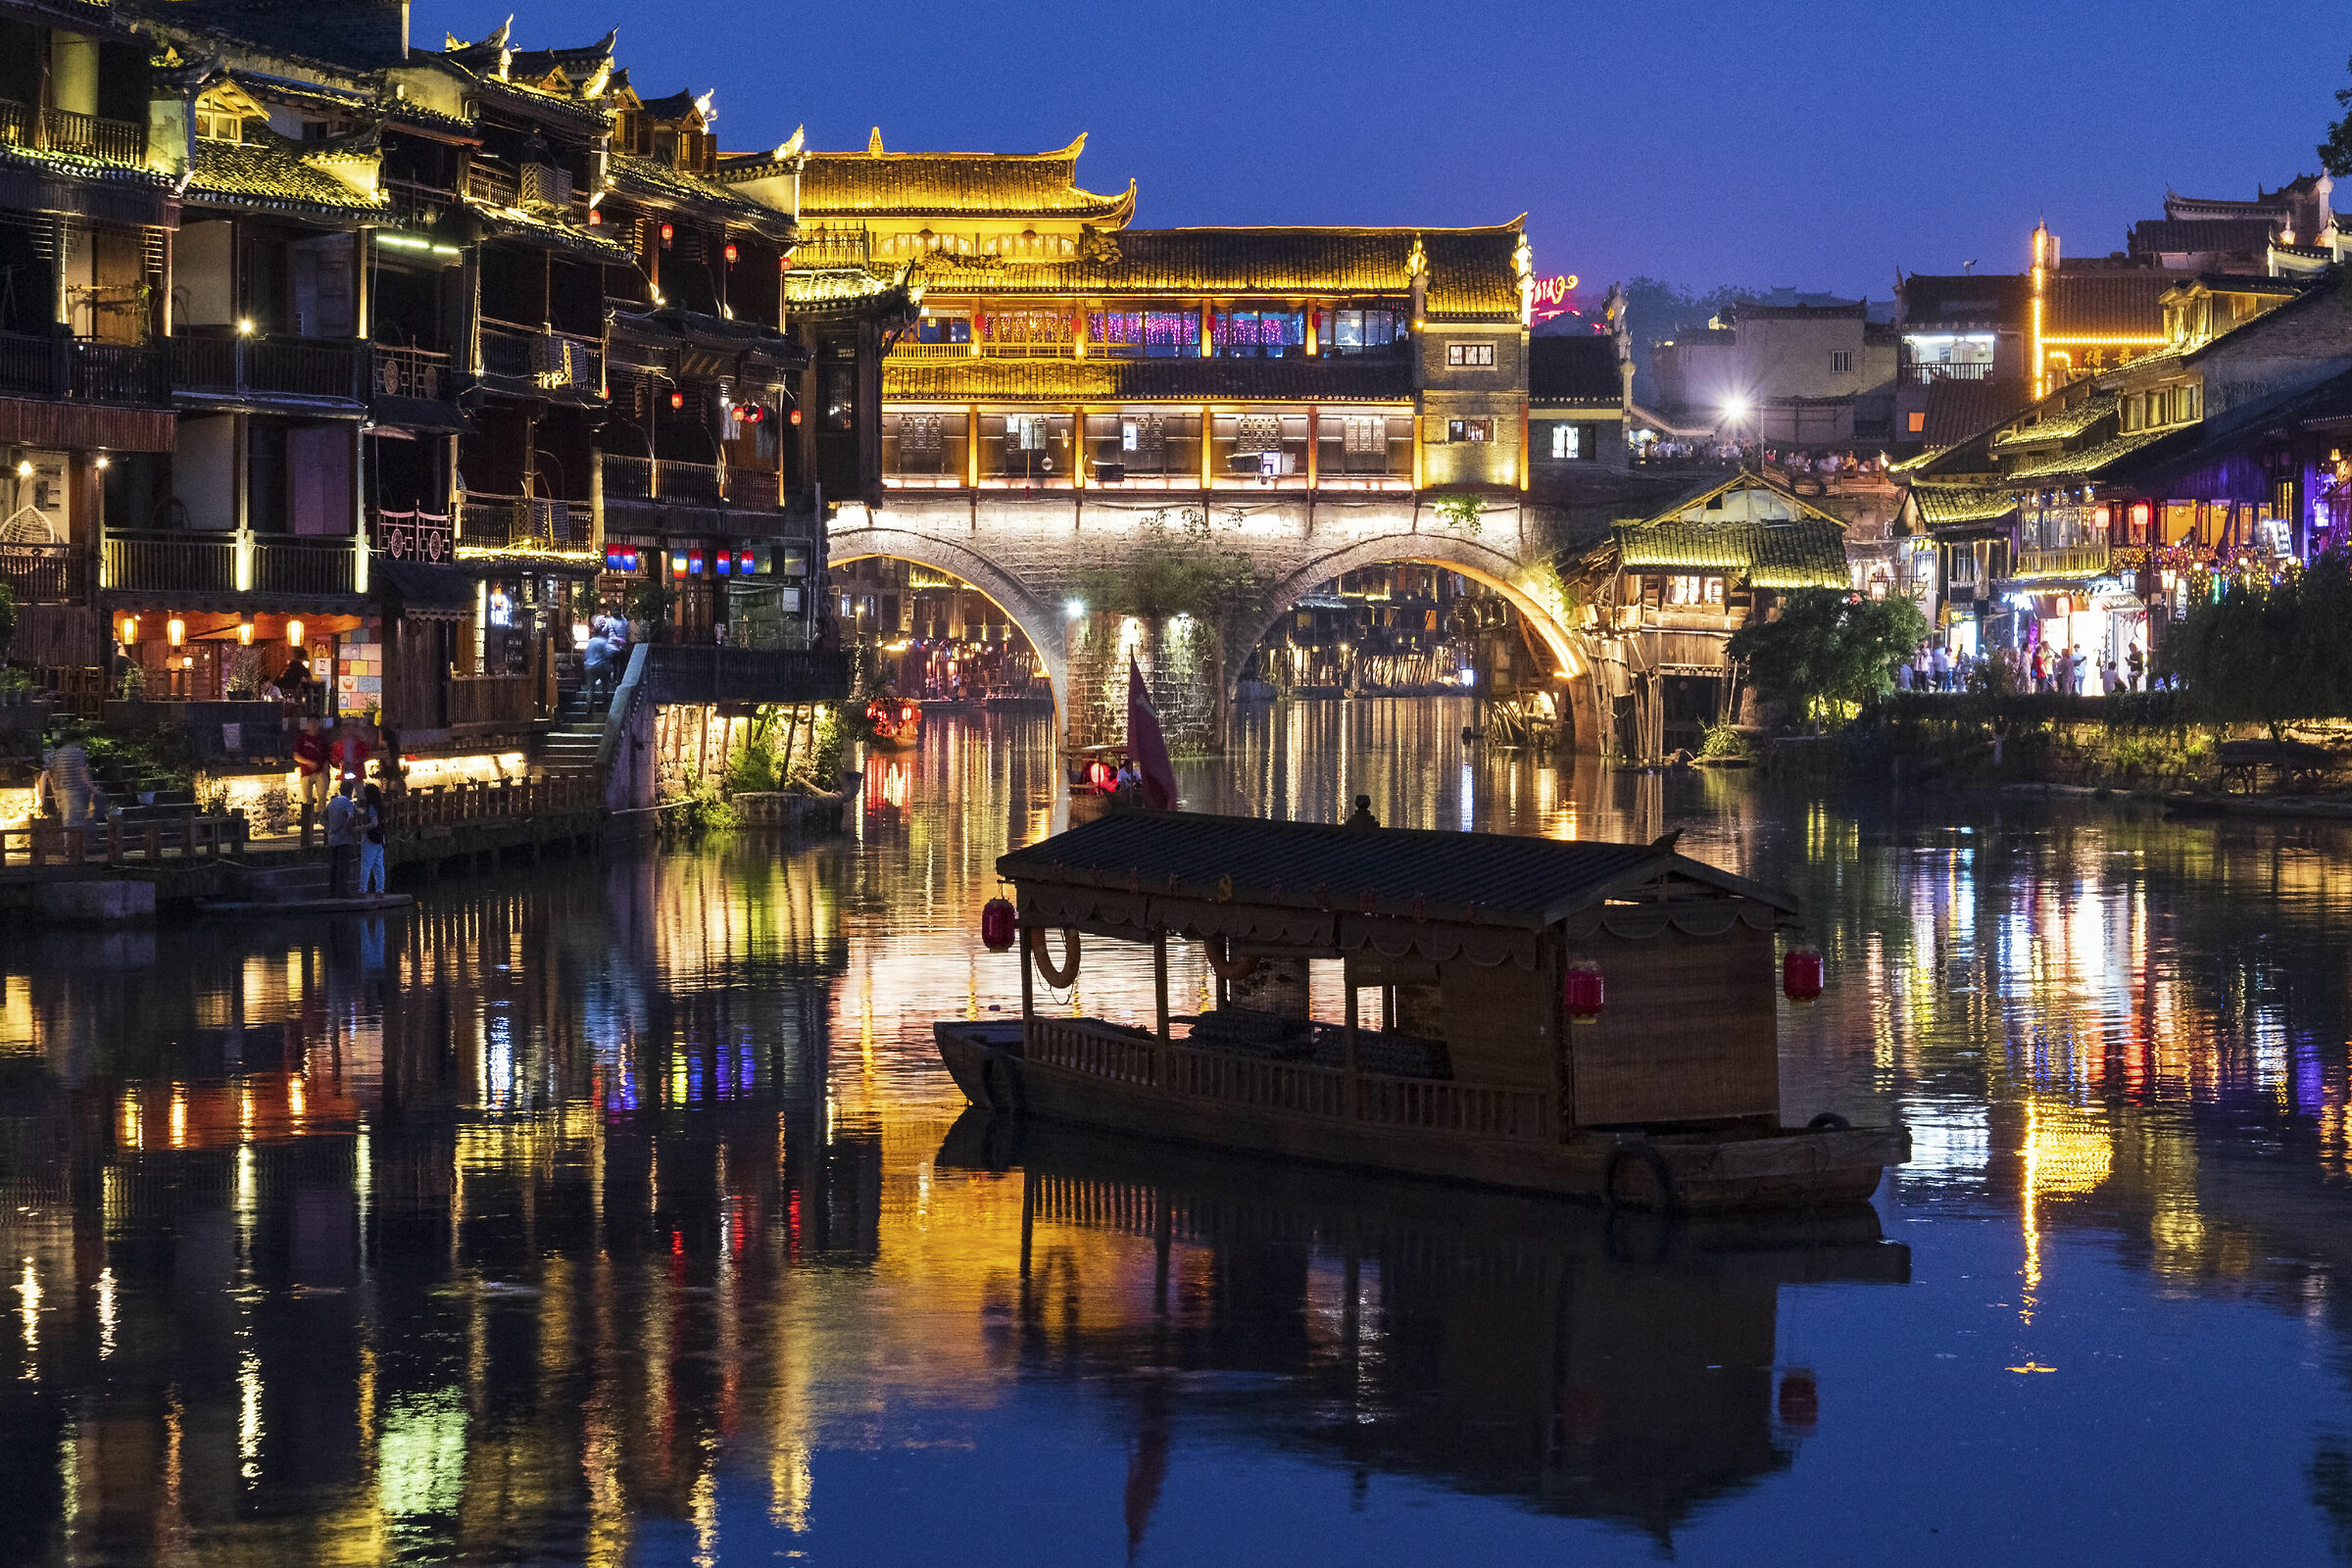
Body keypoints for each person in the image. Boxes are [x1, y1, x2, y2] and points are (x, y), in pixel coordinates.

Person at [323, 777, 359, 898]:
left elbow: (322, 816)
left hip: (332, 838)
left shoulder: (332, 802)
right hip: (344, 839)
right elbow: (350, 817)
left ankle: (331, 892)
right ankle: (343, 892)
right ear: (351, 791)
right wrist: (345, 829)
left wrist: (328, 828)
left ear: (340, 789)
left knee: (333, 865)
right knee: (343, 866)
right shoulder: (347, 803)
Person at [293, 718, 330, 819]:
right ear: (307, 724)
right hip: (306, 772)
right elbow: (296, 755)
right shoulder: (302, 738)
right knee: (306, 798)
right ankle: (308, 820)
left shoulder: (322, 739)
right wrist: (309, 762)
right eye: (311, 722)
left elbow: (328, 754)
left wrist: (326, 764)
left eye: (315, 722)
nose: (313, 725)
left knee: (322, 796)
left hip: (321, 772)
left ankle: (321, 818)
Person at [359, 781, 388, 896]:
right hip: (379, 838)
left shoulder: (371, 807)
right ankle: (380, 890)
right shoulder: (379, 806)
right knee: (378, 865)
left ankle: (362, 890)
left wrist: (361, 828)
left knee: (366, 865)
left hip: (370, 838)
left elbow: (373, 823)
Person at [332, 719, 371, 788]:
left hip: (357, 769)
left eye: (349, 727)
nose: (347, 729)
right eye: (345, 727)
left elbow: (365, 755)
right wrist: (340, 762)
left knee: (360, 791)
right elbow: (334, 756)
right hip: (344, 769)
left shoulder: (360, 742)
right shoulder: (338, 743)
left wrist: (357, 760)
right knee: (345, 790)